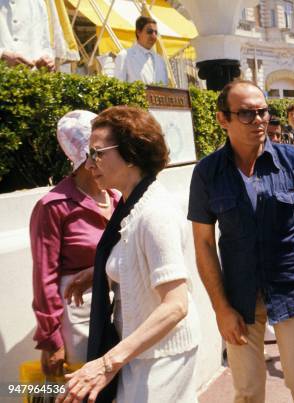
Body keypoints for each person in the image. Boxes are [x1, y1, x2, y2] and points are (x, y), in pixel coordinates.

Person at [188, 80, 294, 403]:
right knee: (248, 393)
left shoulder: (293, 161)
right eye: (246, 114)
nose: (259, 120)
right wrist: (220, 308)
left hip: (290, 289)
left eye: (263, 111)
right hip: (239, 298)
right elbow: (204, 245)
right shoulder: (207, 172)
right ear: (222, 119)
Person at [58, 106, 200, 403]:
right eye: (88, 154)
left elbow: (176, 305)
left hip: (162, 358)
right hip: (141, 353)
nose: (89, 163)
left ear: (132, 154)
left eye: (97, 153)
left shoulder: (154, 213)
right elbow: (134, 258)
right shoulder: (130, 205)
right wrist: (98, 274)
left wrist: (106, 364)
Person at [30, 110, 119, 378]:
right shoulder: (53, 206)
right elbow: (44, 276)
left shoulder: (116, 197)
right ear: (86, 155)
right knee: (82, 387)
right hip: (78, 317)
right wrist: (51, 338)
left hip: (122, 308)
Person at [0, 0, 55, 70]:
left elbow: (45, 45)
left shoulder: (38, 2)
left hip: (31, 77)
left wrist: (46, 61)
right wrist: (2, 55)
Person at [114, 16, 168, 85]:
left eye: (156, 33)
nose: (154, 36)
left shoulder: (160, 60)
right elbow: (119, 88)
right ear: (138, 32)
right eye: (150, 32)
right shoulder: (125, 56)